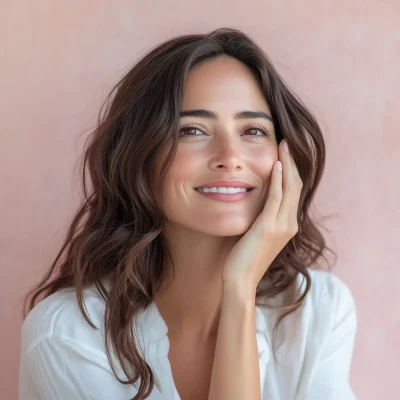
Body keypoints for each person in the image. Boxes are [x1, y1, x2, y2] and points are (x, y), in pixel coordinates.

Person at [19, 27, 357, 400]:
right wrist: (240, 289)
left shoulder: (319, 312)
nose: (229, 156)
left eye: (253, 130)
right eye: (193, 130)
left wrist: (240, 285)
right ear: (138, 156)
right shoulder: (67, 334)